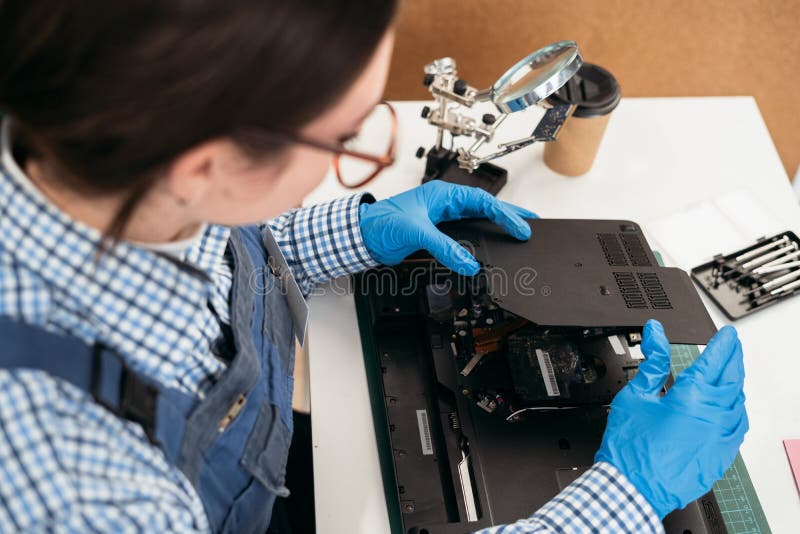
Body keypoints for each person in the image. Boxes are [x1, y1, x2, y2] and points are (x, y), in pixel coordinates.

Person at [0, 1, 747, 533]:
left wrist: (353, 231)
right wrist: (626, 496)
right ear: (207, 164)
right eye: (349, 138)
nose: (375, 158)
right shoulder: (73, 489)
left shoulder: (96, 151)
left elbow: (210, 240)